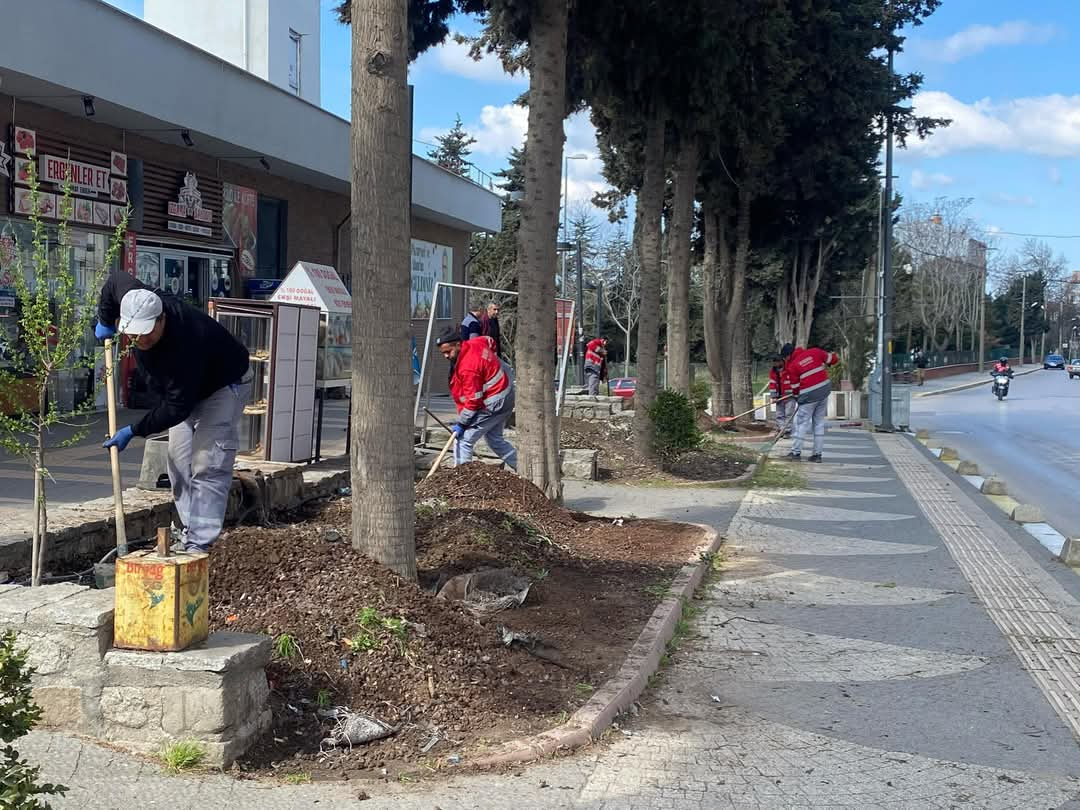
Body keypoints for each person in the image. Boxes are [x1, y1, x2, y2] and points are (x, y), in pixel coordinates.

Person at [96, 274, 250, 552]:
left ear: (161, 319)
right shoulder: (138, 299)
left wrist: (134, 430)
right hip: (185, 391)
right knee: (178, 463)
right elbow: (114, 282)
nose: (139, 340)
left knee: (208, 462)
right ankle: (191, 528)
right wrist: (105, 320)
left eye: (145, 333)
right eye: (132, 334)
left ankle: (199, 544)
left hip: (223, 386)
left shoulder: (186, 342)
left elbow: (177, 408)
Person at [435, 327, 517, 470]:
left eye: (448, 352)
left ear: (458, 344)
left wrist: (462, 424)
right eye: (443, 353)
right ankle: (525, 469)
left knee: (463, 440)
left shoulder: (468, 367)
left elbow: (473, 401)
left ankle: (462, 480)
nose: (446, 356)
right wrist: (492, 362)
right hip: (505, 394)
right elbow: (490, 341)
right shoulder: (476, 343)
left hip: (495, 403)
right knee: (495, 440)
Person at [781, 341, 839, 463]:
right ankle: (817, 455)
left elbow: (795, 387)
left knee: (801, 423)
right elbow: (833, 360)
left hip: (808, 396)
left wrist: (798, 399)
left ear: (788, 356)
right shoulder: (815, 352)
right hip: (824, 391)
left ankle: (796, 453)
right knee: (818, 423)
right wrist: (833, 355)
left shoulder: (792, 366)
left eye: (785, 358)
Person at [768, 354, 796, 437]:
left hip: (790, 396)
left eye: (775, 363)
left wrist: (795, 392)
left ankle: (787, 431)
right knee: (779, 415)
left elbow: (795, 381)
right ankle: (782, 430)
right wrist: (774, 397)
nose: (774, 365)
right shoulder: (773, 372)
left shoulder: (790, 369)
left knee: (788, 414)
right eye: (773, 363)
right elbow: (772, 384)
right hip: (779, 397)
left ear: (781, 361)